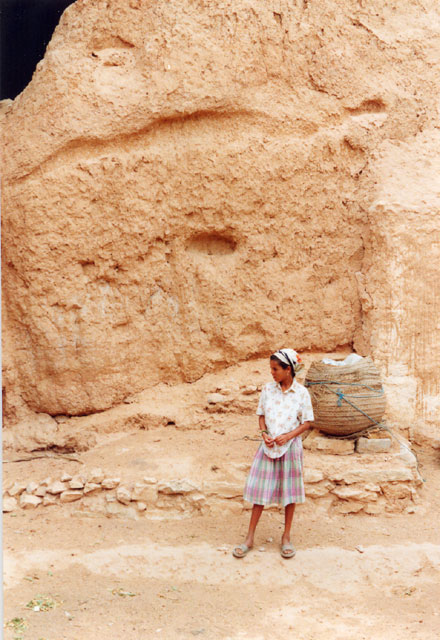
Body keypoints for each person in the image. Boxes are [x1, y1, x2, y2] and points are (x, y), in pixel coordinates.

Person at [233, 349, 314, 559]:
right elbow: (261, 416)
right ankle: (249, 538)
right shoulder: (268, 390)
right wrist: (264, 433)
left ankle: (286, 537)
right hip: (268, 447)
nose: (272, 373)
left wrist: (288, 436)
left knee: (289, 494)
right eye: (271, 368)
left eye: (275, 369)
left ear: (289, 370)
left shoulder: (302, 393)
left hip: (290, 448)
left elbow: (307, 422)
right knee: (259, 492)